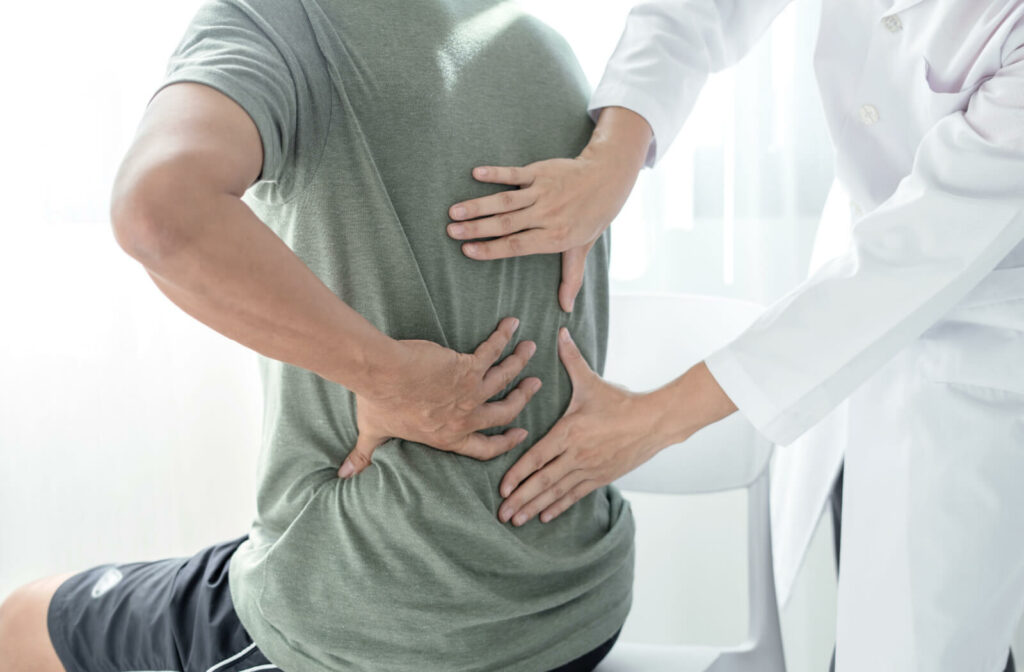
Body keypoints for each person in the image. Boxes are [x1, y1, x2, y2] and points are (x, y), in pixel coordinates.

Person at [0, 1, 635, 671]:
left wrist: (393, 377)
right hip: (579, 605)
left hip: (377, 627)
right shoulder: (543, 44)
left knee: (19, 625)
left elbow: (159, 211)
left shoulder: (279, 20)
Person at [446, 1, 1024, 670]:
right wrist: (613, 158)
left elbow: (908, 260)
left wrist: (651, 421)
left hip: (975, 342)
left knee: (920, 642)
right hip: (856, 277)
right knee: (849, 586)